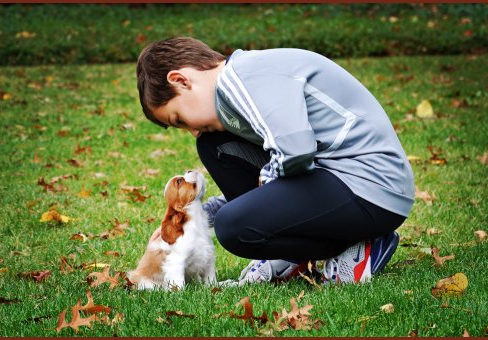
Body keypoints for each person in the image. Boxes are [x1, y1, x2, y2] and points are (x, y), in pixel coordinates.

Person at [136, 37, 415, 286]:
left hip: (372, 188)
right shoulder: (237, 83)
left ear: (180, 80)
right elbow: (279, 171)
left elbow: (296, 152)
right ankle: (299, 256)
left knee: (234, 227)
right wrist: (194, 214)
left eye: (180, 119)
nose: (192, 130)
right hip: (336, 179)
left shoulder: (244, 79)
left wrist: (242, 211)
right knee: (215, 146)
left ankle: (358, 244)